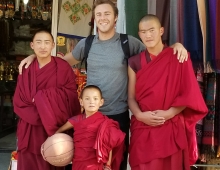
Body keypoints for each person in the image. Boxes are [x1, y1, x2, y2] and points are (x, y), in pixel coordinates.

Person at [18, 1, 189, 169]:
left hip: (118, 115)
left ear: (116, 18)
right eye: (99, 14)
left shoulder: (128, 42)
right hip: (91, 115)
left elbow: (155, 52)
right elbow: (61, 63)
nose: (103, 18)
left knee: (116, 162)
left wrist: (176, 46)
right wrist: (34, 57)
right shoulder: (87, 43)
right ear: (94, 18)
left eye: (107, 14)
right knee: (88, 162)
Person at [127, 14, 208, 170]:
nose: (148, 35)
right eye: (143, 32)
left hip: (170, 125)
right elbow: (131, 97)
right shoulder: (134, 61)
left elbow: (188, 94)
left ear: (161, 30)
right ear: (139, 34)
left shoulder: (178, 56)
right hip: (143, 126)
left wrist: (170, 113)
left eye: (152, 30)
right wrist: (139, 115)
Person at [13, 29, 81, 170]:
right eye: (38, 42)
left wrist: (40, 98)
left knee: (50, 163)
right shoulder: (26, 69)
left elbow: (71, 98)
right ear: (32, 45)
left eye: (46, 42)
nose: (42, 46)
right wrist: (44, 109)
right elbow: (19, 101)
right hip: (29, 130)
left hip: (52, 130)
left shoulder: (63, 68)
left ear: (53, 45)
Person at [54, 85, 125, 170]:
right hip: (78, 163)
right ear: (81, 101)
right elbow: (59, 131)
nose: (91, 102)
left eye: (95, 99)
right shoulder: (76, 120)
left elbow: (109, 145)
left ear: (101, 102)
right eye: (87, 99)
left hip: (96, 164)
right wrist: (52, 143)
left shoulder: (105, 122)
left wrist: (108, 165)